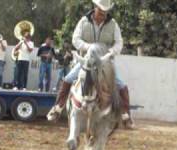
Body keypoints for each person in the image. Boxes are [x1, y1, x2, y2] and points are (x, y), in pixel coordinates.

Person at [49, 0, 134, 128]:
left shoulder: (113, 24)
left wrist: (111, 51)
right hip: (86, 60)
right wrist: (89, 47)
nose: (103, 15)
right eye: (101, 11)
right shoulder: (84, 21)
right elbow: (75, 39)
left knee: (121, 85)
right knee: (68, 79)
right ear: (95, 8)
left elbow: (119, 43)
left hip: (105, 61)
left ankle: (126, 115)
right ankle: (58, 108)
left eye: (105, 12)